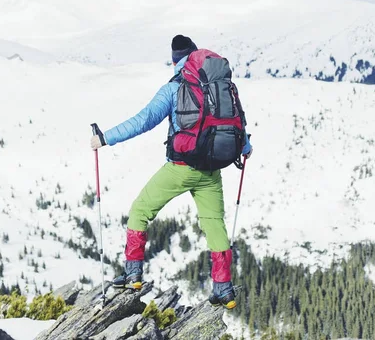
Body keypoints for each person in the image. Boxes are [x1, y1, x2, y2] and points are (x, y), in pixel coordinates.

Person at [90, 34, 253, 309]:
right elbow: (234, 119)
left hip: (180, 167)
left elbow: (144, 120)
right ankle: (224, 289)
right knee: (214, 224)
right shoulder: (219, 85)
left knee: (141, 210)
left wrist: (105, 138)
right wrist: (245, 145)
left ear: (174, 60)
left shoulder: (175, 87)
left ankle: (134, 274)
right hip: (212, 170)